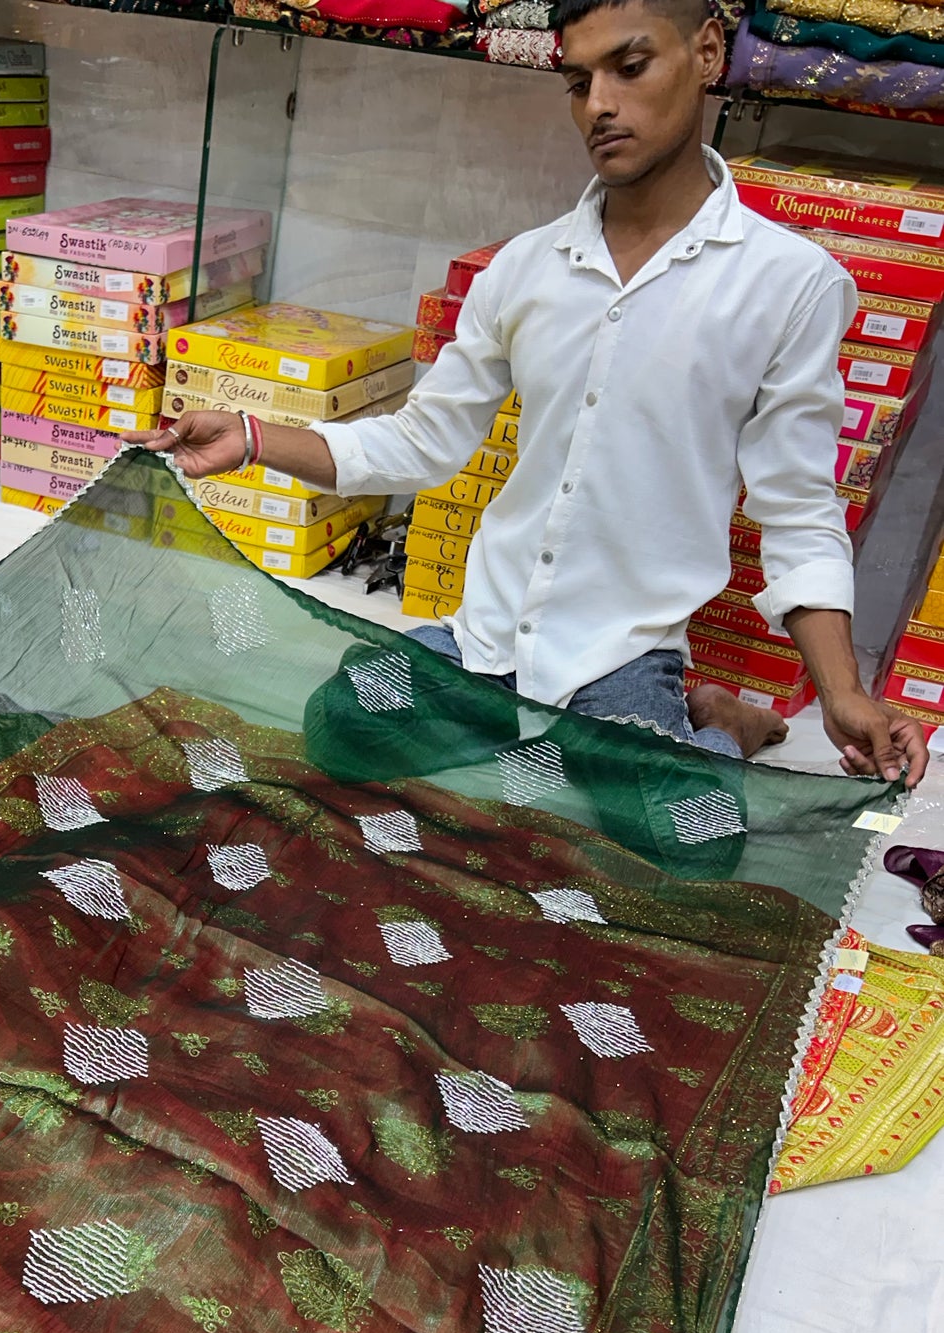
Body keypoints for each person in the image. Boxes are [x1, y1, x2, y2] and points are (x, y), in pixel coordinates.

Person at [131, 0, 928, 788]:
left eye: (630, 65)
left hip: (619, 654)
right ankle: (588, 747)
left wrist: (842, 693)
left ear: (709, 54)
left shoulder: (788, 284)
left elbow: (798, 509)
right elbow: (422, 442)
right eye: (579, 82)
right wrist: (250, 434)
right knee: (343, 726)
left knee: (687, 839)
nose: (600, 106)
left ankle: (716, 719)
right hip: (486, 640)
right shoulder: (524, 267)